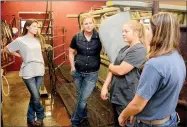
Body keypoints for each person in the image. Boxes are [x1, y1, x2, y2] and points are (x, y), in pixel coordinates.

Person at [118, 12, 186, 127]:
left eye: (148, 28)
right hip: (170, 120)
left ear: (158, 32)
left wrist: (123, 114)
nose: (146, 32)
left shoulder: (154, 65)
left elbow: (137, 105)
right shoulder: (177, 57)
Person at [100, 20, 147, 127]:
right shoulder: (125, 48)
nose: (123, 34)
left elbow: (120, 70)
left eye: (126, 31)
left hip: (127, 97)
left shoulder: (139, 50)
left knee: (125, 124)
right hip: (116, 94)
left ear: (136, 33)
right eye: (122, 31)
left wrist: (111, 66)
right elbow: (113, 69)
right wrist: (105, 86)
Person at [2, 19, 46, 127]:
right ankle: (40, 115)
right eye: (35, 26)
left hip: (39, 70)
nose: (37, 28)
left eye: (37, 26)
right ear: (27, 27)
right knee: (36, 96)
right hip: (28, 71)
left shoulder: (38, 39)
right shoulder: (20, 40)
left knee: (34, 96)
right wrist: (20, 56)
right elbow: (6, 49)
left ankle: (30, 119)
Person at [69, 14, 102, 126]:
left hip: (92, 74)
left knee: (82, 99)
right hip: (78, 72)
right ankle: (83, 115)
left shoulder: (99, 37)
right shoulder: (77, 37)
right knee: (80, 97)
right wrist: (72, 67)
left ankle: (74, 121)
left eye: (90, 23)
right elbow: (71, 52)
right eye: (85, 23)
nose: (88, 25)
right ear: (82, 25)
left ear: (94, 23)